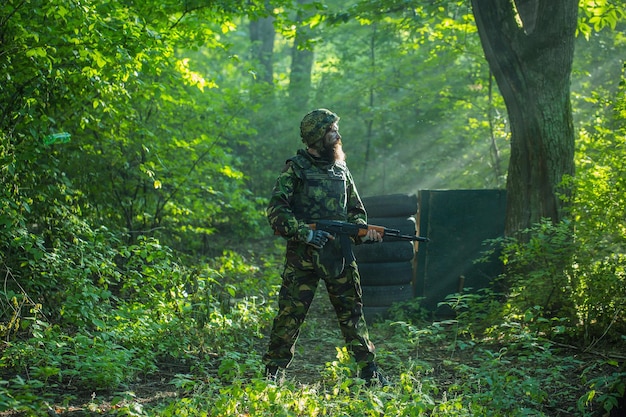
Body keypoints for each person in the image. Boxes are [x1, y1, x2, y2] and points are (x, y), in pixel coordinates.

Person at [263, 108, 389, 387]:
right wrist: (304, 234)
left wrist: (361, 232)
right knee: (290, 314)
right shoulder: (295, 168)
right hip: (303, 258)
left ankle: (369, 372)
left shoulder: (341, 169)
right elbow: (276, 212)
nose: (337, 135)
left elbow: (356, 211)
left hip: (339, 256)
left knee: (353, 314)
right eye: (332, 130)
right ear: (317, 136)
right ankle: (272, 373)